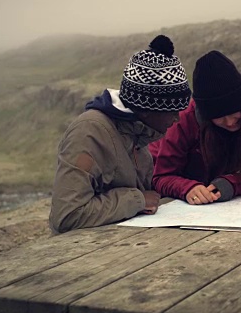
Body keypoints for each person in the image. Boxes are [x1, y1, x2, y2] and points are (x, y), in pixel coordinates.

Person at [49, 35, 191, 233]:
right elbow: (67, 215)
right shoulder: (89, 133)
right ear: (147, 108)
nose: (177, 118)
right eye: (172, 111)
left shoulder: (140, 133)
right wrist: (137, 200)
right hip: (80, 256)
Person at [150, 50, 241, 205]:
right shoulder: (183, 121)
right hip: (183, 200)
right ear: (206, 116)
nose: (230, 122)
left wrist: (231, 184)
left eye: (235, 113)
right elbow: (161, 177)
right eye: (219, 117)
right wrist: (188, 188)